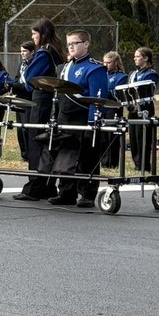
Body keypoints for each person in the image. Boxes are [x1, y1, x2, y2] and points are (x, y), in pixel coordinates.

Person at [44, 29, 107, 207]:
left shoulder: (95, 68)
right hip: (65, 117)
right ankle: (66, 192)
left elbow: (97, 99)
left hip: (83, 118)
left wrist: (92, 123)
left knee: (87, 156)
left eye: (75, 43)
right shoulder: (64, 68)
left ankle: (87, 194)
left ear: (86, 44)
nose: (70, 47)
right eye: (69, 44)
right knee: (65, 157)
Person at [13, 18, 64, 201]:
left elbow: (29, 77)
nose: (33, 38)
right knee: (47, 144)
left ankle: (34, 186)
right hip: (51, 100)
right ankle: (48, 185)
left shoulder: (44, 52)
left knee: (35, 142)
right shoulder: (55, 51)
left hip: (41, 99)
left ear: (43, 34)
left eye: (35, 34)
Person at [127, 47, 158, 171]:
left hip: (145, 108)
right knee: (133, 137)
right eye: (134, 56)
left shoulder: (151, 73)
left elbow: (145, 88)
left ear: (146, 58)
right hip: (133, 109)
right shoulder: (133, 73)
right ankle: (137, 164)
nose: (135, 58)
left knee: (143, 138)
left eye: (138, 56)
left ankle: (144, 165)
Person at [11, 41, 36, 163]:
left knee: (26, 127)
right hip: (19, 98)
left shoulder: (34, 65)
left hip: (28, 98)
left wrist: (18, 86)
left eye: (25, 51)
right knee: (20, 128)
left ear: (32, 52)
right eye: (21, 51)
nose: (22, 53)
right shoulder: (21, 64)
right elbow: (17, 77)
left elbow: (29, 83)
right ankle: (24, 153)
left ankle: (31, 153)